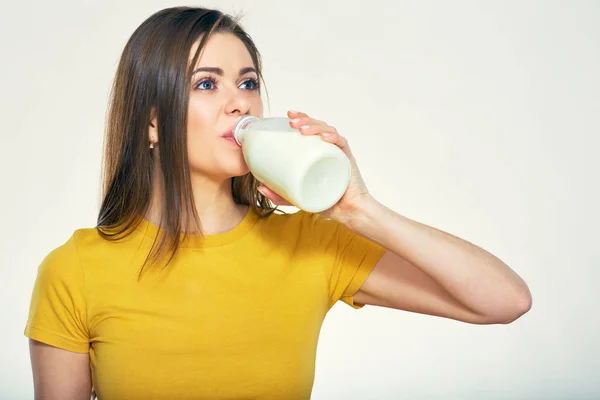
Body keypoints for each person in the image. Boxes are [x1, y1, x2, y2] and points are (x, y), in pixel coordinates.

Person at [24, 6, 532, 400]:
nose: (240, 101)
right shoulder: (76, 270)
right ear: (153, 122)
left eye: (247, 82)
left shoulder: (311, 245)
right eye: (207, 83)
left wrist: (358, 209)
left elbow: (505, 301)